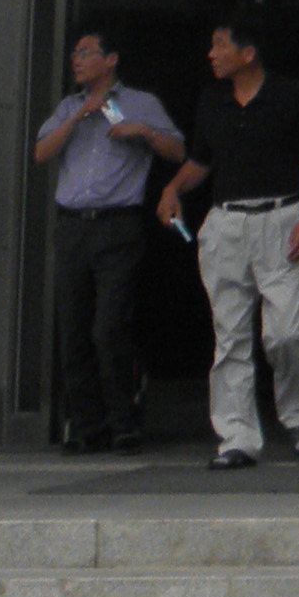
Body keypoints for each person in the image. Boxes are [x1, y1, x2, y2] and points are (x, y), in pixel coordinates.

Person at [156, 11, 299, 470]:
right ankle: (237, 438)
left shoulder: (291, 95)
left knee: (287, 332)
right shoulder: (211, 100)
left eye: (220, 44)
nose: (211, 54)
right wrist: (173, 188)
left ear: (247, 53)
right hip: (226, 223)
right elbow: (201, 161)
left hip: (282, 218)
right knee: (230, 336)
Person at [31, 26, 184, 455]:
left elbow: (177, 150)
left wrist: (144, 133)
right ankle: (86, 426)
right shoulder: (68, 106)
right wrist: (78, 117)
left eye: (85, 52)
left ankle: (124, 422)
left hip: (118, 225)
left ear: (111, 59)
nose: (76, 60)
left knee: (109, 327)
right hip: (72, 226)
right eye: (75, 54)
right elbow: (41, 153)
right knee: (73, 328)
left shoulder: (141, 103)